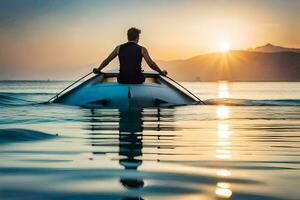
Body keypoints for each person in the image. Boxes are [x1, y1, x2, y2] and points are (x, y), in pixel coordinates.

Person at [93, 27, 168, 84]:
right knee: (140, 77)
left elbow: (107, 60)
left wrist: (98, 69)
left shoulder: (118, 48)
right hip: (138, 80)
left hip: (122, 80)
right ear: (137, 37)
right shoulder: (142, 49)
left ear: (127, 37)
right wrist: (161, 72)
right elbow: (152, 64)